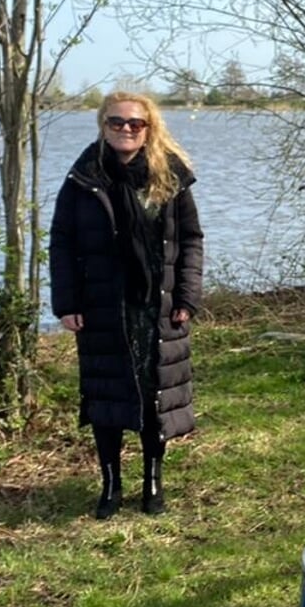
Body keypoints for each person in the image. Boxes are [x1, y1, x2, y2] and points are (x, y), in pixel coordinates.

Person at [50, 91, 204, 517]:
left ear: (149, 128)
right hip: (102, 304)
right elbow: (61, 241)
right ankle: (111, 485)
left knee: (155, 394)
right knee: (106, 398)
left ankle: (153, 480)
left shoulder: (170, 176)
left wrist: (187, 296)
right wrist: (66, 302)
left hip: (157, 304)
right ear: (103, 125)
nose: (126, 129)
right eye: (116, 122)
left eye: (135, 123)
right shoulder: (83, 177)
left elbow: (191, 239)